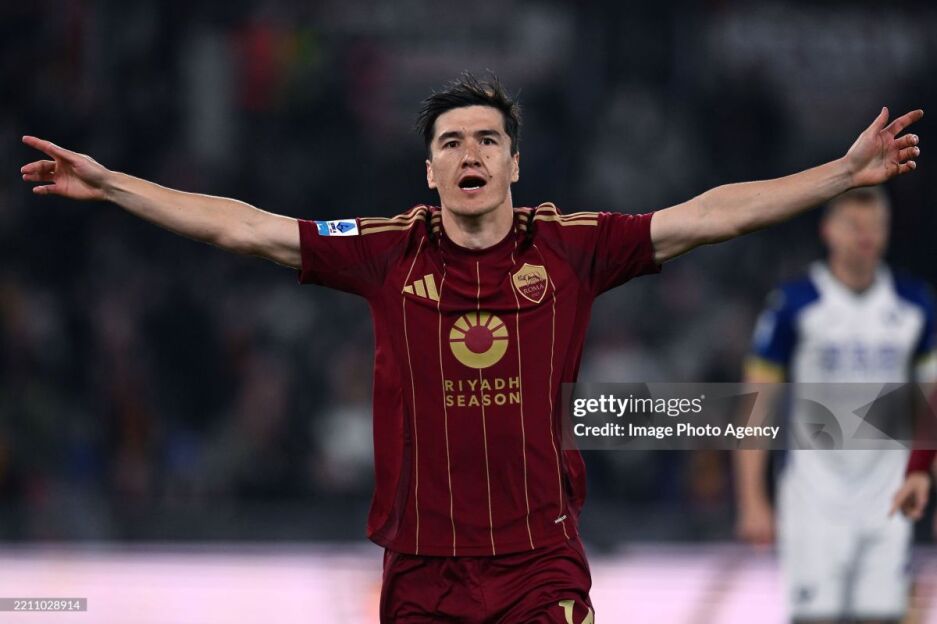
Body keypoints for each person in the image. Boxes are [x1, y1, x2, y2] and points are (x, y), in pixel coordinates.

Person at [20, 74, 923, 623]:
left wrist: (838, 174)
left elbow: (710, 214)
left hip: (538, 561)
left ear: (513, 162)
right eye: (450, 142)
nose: (470, 153)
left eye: (487, 138)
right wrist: (114, 185)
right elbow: (245, 227)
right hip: (422, 570)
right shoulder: (385, 251)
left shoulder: (572, 247)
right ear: (429, 170)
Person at [735, 187, 937, 624]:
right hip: (814, 498)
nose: (866, 236)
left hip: (888, 495)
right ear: (828, 230)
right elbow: (757, 402)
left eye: (876, 226)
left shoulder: (915, 305)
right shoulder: (795, 304)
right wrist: (752, 498)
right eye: (854, 225)